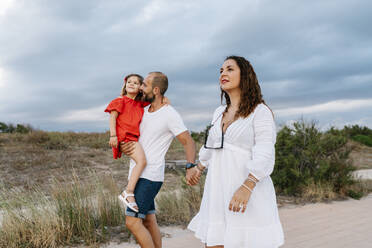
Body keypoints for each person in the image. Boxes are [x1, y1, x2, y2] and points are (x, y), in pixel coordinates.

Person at [187, 56, 285, 248]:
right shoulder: (219, 112)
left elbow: (265, 152)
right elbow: (211, 145)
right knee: (215, 242)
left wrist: (247, 186)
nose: (223, 73)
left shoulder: (260, 111)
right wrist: (198, 168)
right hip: (217, 188)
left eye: (230, 69)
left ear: (245, 76)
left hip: (246, 188)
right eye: (221, 70)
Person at [119, 71, 200, 248]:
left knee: (132, 222)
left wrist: (190, 166)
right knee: (148, 221)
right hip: (137, 172)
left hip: (150, 177)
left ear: (155, 90)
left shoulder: (169, 114)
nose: (140, 87)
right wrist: (125, 147)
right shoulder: (143, 109)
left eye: (145, 84)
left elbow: (189, 141)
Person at [105, 74, 168, 212]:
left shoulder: (140, 104)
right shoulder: (120, 100)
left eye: (135, 82)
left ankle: (129, 191)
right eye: (129, 82)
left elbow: (155, 102)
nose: (131, 84)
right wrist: (113, 135)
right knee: (142, 162)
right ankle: (128, 192)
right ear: (125, 85)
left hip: (134, 138)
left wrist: (164, 99)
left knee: (141, 162)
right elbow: (112, 117)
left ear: (141, 87)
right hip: (124, 137)